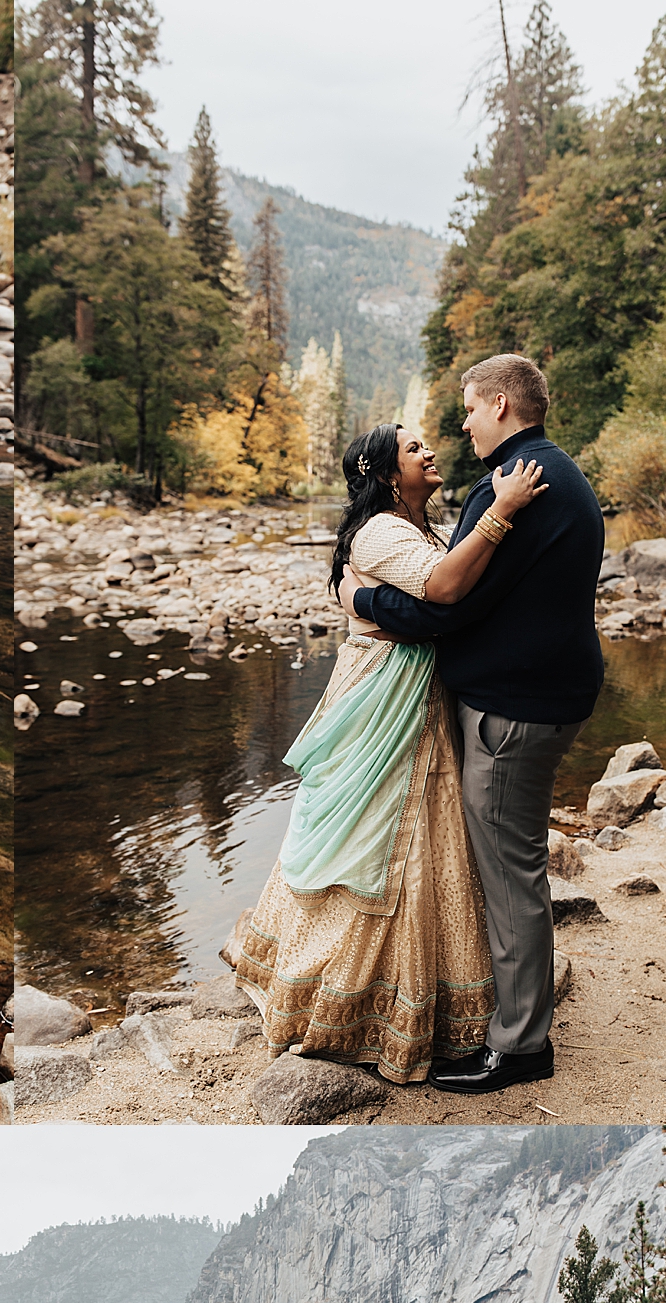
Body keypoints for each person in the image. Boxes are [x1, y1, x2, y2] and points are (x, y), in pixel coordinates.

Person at [234, 421, 547, 1083]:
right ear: (384, 474)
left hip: (422, 688)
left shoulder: (425, 528)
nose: (429, 451)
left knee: (430, 832)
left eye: (425, 444)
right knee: (377, 832)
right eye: (413, 448)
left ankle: (442, 995)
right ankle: (350, 998)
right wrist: (503, 509)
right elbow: (443, 590)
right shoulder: (378, 531)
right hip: (382, 694)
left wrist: (361, 599)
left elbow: (456, 599)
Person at [343, 353, 606, 1093]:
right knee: (513, 863)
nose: (461, 425)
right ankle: (513, 1017)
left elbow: (450, 607)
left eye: (467, 408)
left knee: (512, 874)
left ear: (499, 404)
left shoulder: (516, 484)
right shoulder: (559, 471)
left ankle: (520, 1046)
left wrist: (361, 602)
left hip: (513, 708)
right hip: (544, 693)